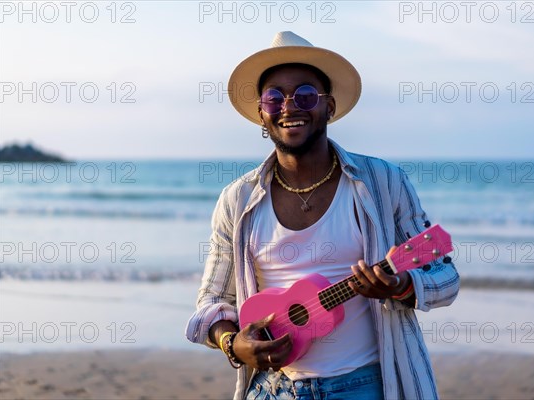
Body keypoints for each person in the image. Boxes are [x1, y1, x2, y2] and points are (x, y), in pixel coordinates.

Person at [186, 31, 460, 400]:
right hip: (273, 390)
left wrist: (401, 287)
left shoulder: (383, 182)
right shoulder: (237, 200)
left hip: (367, 386)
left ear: (329, 107)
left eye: (305, 95)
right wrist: (234, 344)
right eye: (274, 97)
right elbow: (210, 303)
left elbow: (444, 275)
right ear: (260, 114)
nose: (289, 106)